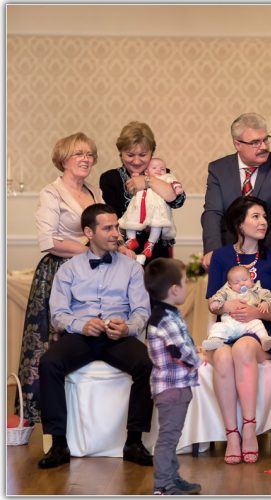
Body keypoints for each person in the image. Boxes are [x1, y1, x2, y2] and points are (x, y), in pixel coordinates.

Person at [17, 132, 127, 425]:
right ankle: (48, 418)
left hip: (95, 271)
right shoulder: (51, 193)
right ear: (63, 159)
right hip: (60, 272)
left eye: (89, 154)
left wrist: (119, 247)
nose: (85, 159)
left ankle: (88, 416)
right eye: (78, 154)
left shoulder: (94, 192)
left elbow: (105, 228)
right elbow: (48, 240)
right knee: (52, 342)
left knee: (92, 337)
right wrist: (90, 250)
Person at [37, 203, 153, 469]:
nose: (116, 234)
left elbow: (141, 311)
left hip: (118, 336)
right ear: (89, 232)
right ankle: (58, 444)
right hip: (80, 336)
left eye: (117, 227)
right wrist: (81, 325)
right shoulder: (68, 270)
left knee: (147, 363)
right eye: (108, 228)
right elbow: (58, 315)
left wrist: (127, 328)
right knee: (49, 363)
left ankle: (134, 442)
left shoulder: (132, 268)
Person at [205, 196, 271, 465]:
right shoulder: (221, 257)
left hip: (261, 333)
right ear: (239, 224)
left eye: (264, 217)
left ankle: (249, 429)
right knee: (222, 356)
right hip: (228, 329)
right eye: (255, 216)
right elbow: (212, 303)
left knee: (242, 349)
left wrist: (255, 312)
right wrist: (226, 305)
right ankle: (232, 434)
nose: (263, 222)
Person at [201, 112, 271, 265]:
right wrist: (213, 251)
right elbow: (213, 213)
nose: (264, 146)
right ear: (238, 144)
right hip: (227, 251)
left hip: (268, 251)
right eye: (255, 142)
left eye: (265, 139)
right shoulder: (218, 169)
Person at [143, 258, 202, 496]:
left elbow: (179, 344)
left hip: (174, 386)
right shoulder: (166, 320)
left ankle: (172, 478)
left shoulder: (167, 314)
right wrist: (199, 357)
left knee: (172, 436)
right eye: (185, 282)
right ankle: (163, 485)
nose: (187, 286)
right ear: (174, 289)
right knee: (168, 438)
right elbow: (180, 351)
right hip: (172, 388)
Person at [100, 121, 186, 263]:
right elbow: (110, 221)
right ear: (121, 154)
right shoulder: (110, 179)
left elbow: (178, 200)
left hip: (157, 254)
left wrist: (148, 181)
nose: (136, 161)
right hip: (123, 253)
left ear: (152, 153)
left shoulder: (161, 174)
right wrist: (121, 247)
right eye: (130, 155)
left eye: (142, 155)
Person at [119, 157, 183, 260]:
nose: (159, 170)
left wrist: (177, 188)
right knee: (130, 221)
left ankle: (150, 243)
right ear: (146, 171)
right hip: (138, 207)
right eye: (154, 168)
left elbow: (174, 182)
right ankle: (132, 239)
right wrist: (135, 178)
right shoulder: (142, 177)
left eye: (162, 169)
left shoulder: (165, 178)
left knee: (157, 224)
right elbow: (132, 186)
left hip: (156, 209)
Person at [204, 265, 271, 352]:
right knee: (217, 326)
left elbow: (267, 295)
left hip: (247, 324)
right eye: (236, 283)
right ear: (230, 285)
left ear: (251, 280)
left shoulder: (256, 290)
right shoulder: (227, 291)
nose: (241, 283)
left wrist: (265, 303)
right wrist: (216, 302)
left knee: (257, 323)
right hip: (229, 324)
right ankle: (215, 341)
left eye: (245, 280)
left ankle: (264, 339)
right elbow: (219, 296)